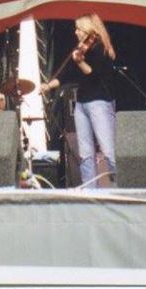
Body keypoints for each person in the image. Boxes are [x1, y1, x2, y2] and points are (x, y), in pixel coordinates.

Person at [39, 13, 117, 188]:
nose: (75, 32)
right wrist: (49, 85)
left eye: (78, 29)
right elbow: (68, 73)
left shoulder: (100, 48)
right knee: (85, 153)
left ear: (88, 30)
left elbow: (93, 73)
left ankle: (118, 188)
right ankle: (90, 191)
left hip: (100, 102)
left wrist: (80, 62)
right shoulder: (81, 49)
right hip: (82, 104)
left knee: (108, 150)